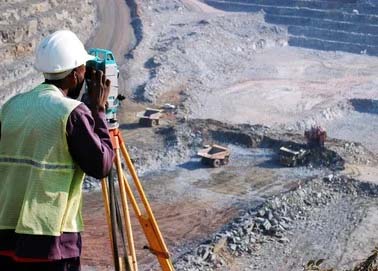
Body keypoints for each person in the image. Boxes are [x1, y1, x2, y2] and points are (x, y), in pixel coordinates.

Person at [0, 30, 115, 271]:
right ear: (75, 75)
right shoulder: (72, 112)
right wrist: (99, 112)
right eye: (84, 69)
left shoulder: (12, 106)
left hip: (6, 236)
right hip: (51, 241)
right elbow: (102, 166)